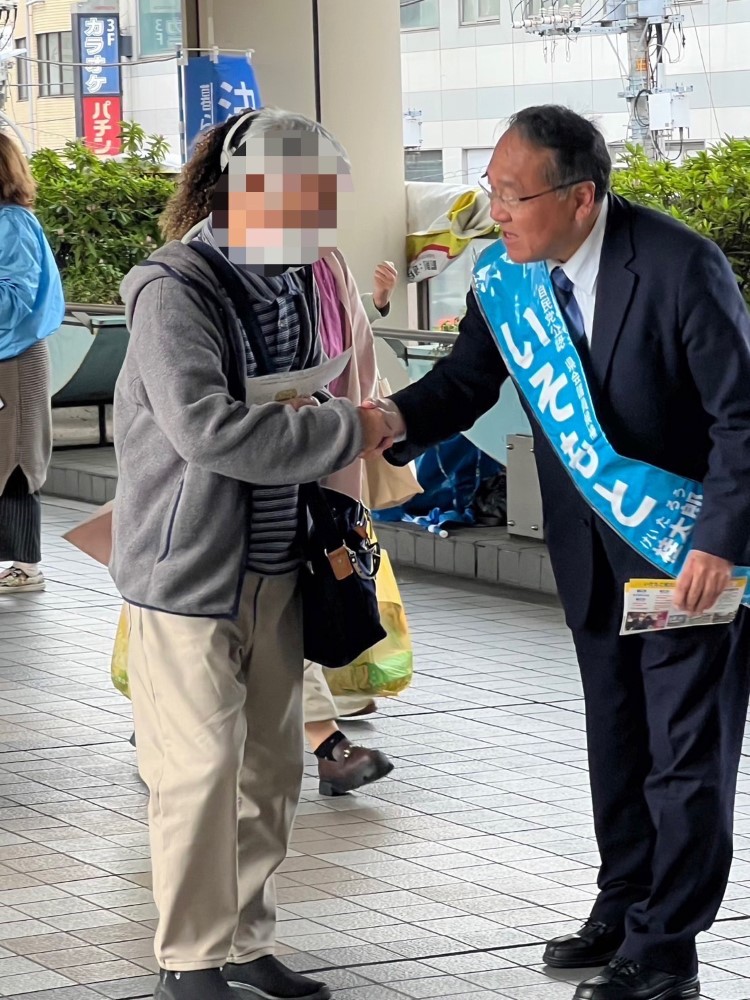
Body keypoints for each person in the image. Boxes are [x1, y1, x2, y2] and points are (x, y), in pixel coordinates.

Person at [366, 105, 750, 1000]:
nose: (494, 212)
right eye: (491, 193)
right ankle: (623, 906)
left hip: (682, 549)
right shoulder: (508, 278)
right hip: (589, 553)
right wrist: (388, 420)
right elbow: (465, 381)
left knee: (685, 752)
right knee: (617, 737)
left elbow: (742, 420)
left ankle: (665, 956)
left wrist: (719, 547)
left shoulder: (677, 265)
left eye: (511, 194)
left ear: (580, 199)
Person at [112, 108, 394, 1000]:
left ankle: (243, 939)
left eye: (323, 198)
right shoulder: (173, 289)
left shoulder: (306, 277)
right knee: (196, 773)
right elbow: (205, 429)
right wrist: (346, 425)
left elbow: (316, 384)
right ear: (245, 191)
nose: (318, 217)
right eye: (302, 198)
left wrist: (318, 414)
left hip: (282, 560)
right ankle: (189, 961)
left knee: (270, 771)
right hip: (188, 569)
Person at [302, 258, 399, 796]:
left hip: (319, 474)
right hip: (282, 475)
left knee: (311, 599)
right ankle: (327, 740)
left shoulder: (326, 262)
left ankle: (331, 729)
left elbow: (347, 355)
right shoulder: (205, 268)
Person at [0, 133, 65, 594]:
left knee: (17, 456)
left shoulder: (12, 223)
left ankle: (26, 563)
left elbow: (16, 298)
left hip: (15, 356)